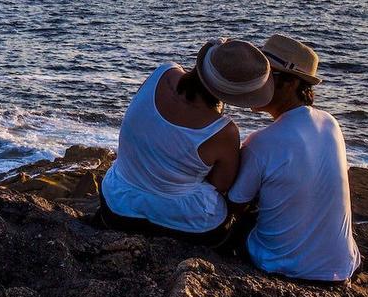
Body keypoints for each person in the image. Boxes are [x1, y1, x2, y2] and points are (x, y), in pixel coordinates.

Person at [98, 39, 274, 245]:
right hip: (178, 224)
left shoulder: (162, 73)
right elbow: (220, 185)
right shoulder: (223, 131)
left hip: (116, 202)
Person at [226, 34, 361, 283]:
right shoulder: (331, 124)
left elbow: (234, 205)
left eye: (266, 76)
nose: (256, 82)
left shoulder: (261, 142)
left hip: (282, 269)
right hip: (341, 268)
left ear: (290, 84)